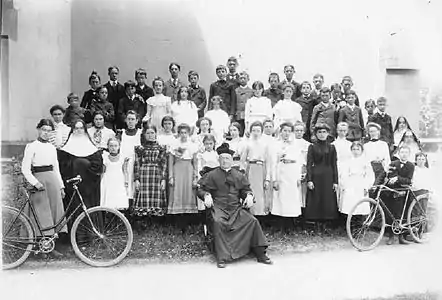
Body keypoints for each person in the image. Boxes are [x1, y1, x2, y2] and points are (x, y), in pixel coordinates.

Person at [197, 143, 272, 268]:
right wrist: (206, 195)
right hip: (218, 207)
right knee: (217, 222)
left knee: (252, 221)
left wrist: (248, 195)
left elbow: (246, 189)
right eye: (222, 159)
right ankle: (222, 257)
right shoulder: (211, 175)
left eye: (227, 158)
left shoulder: (239, 175)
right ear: (218, 160)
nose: (225, 161)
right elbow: (200, 190)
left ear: (232, 160)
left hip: (235, 208)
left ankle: (260, 253)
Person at [21, 119, 67, 257]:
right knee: (41, 214)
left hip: (52, 181)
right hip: (39, 182)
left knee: (53, 213)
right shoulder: (31, 146)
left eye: (48, 130)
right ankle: (39, 247)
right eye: (44, 130)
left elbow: (56, 168)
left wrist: (61, 186)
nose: (46, 133)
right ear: (39, 129)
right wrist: (35, 183)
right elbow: (25, 169)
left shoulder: (52, 147)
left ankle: (50, 247)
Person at [58, 119, 103, 217]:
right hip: (73, 186)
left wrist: (84, 165)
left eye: (81, 128)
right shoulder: (65, 150)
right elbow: (62, 168)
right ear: (72, 130)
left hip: (89, 187)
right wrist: (77, 164)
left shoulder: (93, 149)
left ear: (85, 130)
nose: (79, 130)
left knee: (89, 209)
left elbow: (98, 168)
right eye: (76, 128)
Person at [305, 123, 339, 231]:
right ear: (316, 134)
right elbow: (309, 164)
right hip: (316, 175)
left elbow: (334, 164)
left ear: (328, 133)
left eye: (324, 132)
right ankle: (316, 224)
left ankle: (326, 224)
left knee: (327, 198)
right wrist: (309, 179)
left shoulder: (332, 147)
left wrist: (335, 181)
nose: (322, 134)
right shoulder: (312, 146)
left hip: (328, 175)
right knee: (316, 198)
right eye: (319, 132)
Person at [133, 124, 168, 218]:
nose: (150, 135)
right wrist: (136, 179)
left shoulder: (161, 148)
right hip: (144, 174)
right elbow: (137, 164)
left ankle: (156, 218)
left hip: (157, 173)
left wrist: (163, 179)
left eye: (152, 133)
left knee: (156, 194)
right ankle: (144, 218)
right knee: (144, 194)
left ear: (156, 134)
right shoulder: (140, 148)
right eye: (148, 133)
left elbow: (164, 164)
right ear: (144, 134)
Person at [168, 124, 199, 226]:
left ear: (188, 133)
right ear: (178, 133)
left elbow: (195, 163)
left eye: (185, 132)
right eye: (181, 132)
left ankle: (188, 220)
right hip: (177, 169)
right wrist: (171, 177)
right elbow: (170, 162)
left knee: (188, 192)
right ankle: (177, 220)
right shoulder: (174, 144)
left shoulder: (192, 145)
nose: (183, 134)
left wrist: (195, 177)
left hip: (188, 170)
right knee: (177, 192)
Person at [272, 122, 302, 223]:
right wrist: (275, 179)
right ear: (281, 132)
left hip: (292, 171)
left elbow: (299, 162)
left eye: (289, 131)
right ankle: (281, 222)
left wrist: (298, 177)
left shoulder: (295, 145)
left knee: (292, 196)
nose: (287, 133)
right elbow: (274, 162)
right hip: (281, 170)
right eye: (285, 131)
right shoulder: (276, 144)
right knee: (281, 196)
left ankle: (291, 222)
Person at [384, 145, 415, 245]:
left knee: (402, 213)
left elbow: (408, 180)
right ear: (399, 153)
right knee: (390, 214)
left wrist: (398, 178)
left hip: (403, 191)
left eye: (406, 152)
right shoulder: (393, 163)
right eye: (402, 152)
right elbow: (391, 176)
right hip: (392, 191)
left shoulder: (411, 166)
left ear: (409, 154)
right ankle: (391, 236)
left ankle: (402, 236)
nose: (404, 154)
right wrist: (395, 178)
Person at [241, 121, 272, 216]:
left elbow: (268, 161)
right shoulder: (247, 144)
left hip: (261, 168)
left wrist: (267, 178)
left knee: (261, 192)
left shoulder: (265, 145)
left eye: (258, 130)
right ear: (250, 131)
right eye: (253, 130)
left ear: (261, 132)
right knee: (251, 190)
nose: (255, 132)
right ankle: (251, 213)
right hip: (251, 169)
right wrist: (244, 171)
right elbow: (242, 160)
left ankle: (261, 214)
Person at [338, 141, 374, 215]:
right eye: (354, 149)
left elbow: (369, 175)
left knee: (360, 205)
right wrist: (344, 185)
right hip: (350, 184)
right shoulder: (347, 161)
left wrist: (366, 186)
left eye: (358, 149)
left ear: (361, 150)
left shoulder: (365, 161)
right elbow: (344, 174)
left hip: (360, 184)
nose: (355, 151)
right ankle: (349, 223)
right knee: (349, 204)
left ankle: (359, 223)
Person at [117, 110, 142, 203]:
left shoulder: (140, 133)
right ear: (125, 120)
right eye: (129, 119)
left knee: (135, 188)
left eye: (133, 119)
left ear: (137, 121)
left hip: (136, 165)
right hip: (124, 164)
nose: (131, 121)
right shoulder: (121, 133)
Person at [100, 138, 130, 210]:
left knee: (118, 200)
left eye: (115, 146)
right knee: (108, 201)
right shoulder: (104, 157)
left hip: (119, 180)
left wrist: (126, 183)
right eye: (111, 146)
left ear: (119, 146)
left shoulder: (123, 158)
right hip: (108, 180)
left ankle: (118, 219)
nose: (113, 148)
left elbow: (125, 171)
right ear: (108, 147)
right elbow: (103, 171)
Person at [293, 121, 310, 209]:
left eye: (301, 130)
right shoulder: (290, 144)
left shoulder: (307, 145)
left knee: (302, 192)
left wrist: (305, 171)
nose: (299, 132)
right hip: (292, 169)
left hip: (303, 169)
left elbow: (308, 160)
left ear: (304, 132)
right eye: (297, 130)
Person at [234, 71, 254, 136]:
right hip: (238, 115)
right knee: (239, 131)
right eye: (241, 78)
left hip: (248, 115)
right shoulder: (235, 90)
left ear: (248, 79)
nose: (242, 80)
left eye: (244, 78)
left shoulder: (251, 91)